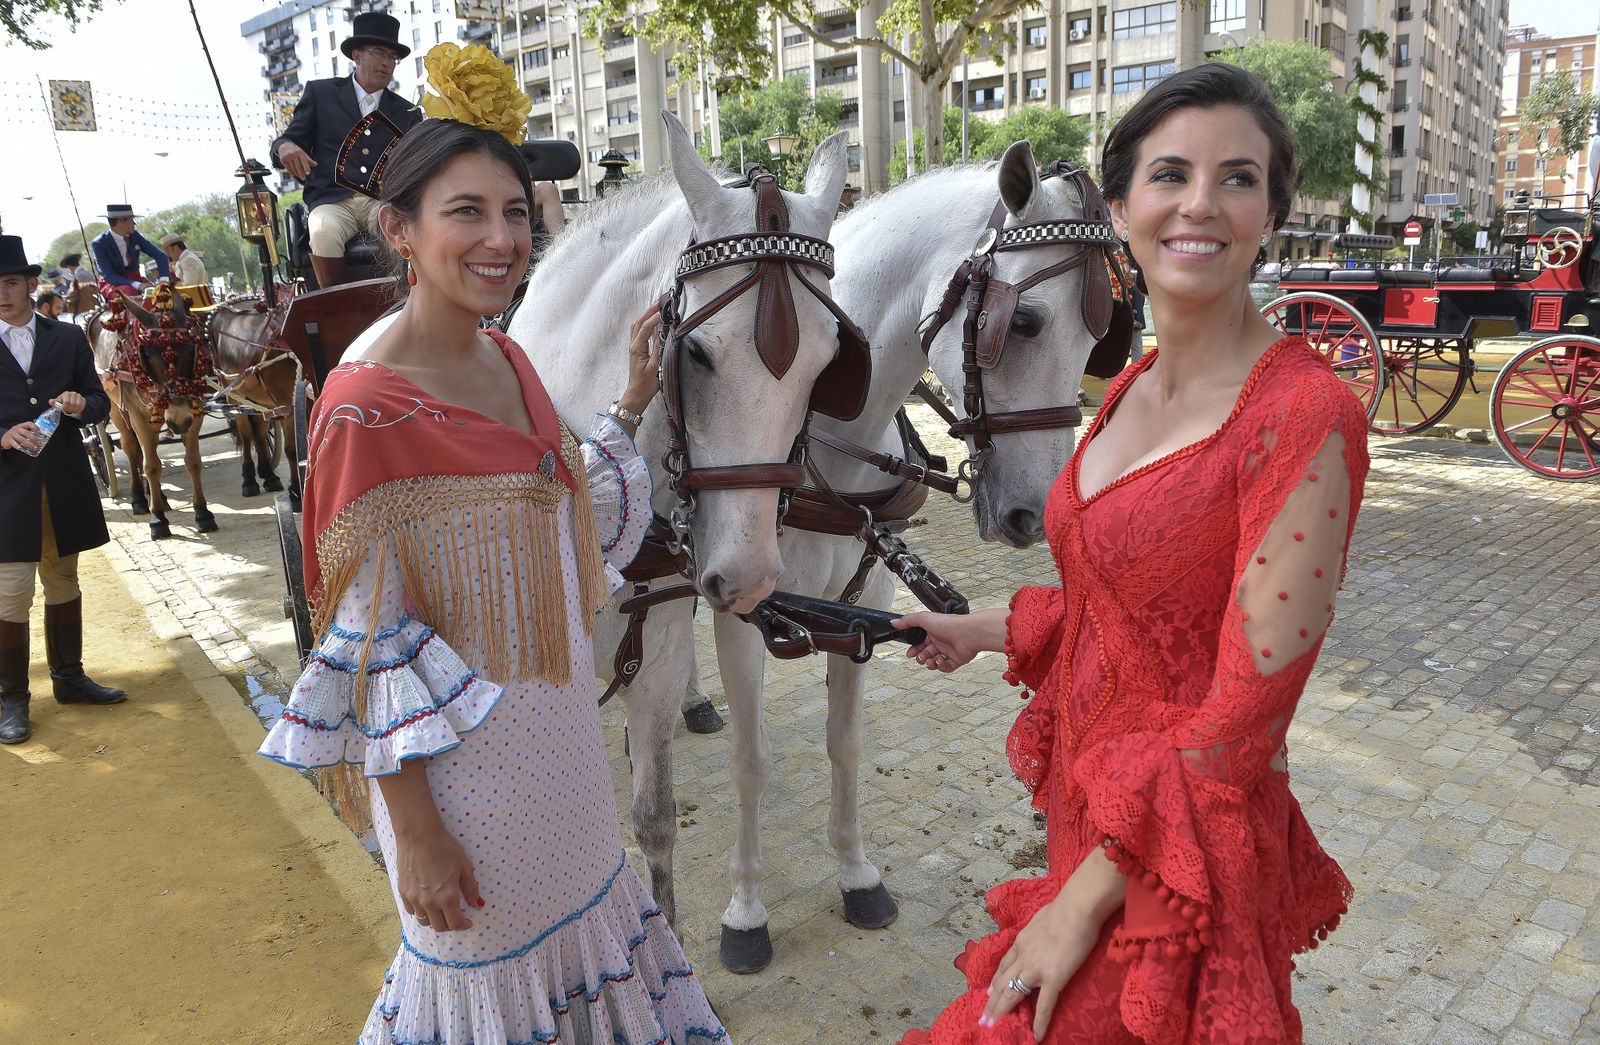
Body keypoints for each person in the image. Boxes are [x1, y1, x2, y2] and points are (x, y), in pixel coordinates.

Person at [255, 51, 727, 1045]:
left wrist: (631, 404)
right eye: (466, 212)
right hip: (461, 787)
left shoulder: (509, 356)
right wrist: (415, 830)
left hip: (559, 741)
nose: (502, 238)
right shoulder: (363, 404)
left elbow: (561, 517)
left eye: (515, 212)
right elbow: (365, 639)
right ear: (400, 230)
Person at [895, 63, 1369, 1044]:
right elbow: (1116, 606)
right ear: (1117, 208)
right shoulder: (1128, 390)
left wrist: (1076, 908)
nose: (1200, 203)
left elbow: (1239, 720)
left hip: (1176, 853)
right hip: (1090, 806)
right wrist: (974, 628)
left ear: (1272, 211)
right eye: (1169, 174)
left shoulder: (1302, 418)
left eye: (1237, 178)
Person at [0, 234, 126, 746]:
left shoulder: (70, 338)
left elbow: (101, 406)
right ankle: (11, 698)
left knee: (64, 580)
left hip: (64, 482)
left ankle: (69, 680)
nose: (2, 294)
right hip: (7, 491)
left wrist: (80, 405)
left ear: (31, 284)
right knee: (10, 594)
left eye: (10, 282)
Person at [271, 11, 423, 289]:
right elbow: (288, 140)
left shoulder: (408, 113)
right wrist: (284, 147)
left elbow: (418, 164)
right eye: (379, 52)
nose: (387, 63)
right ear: (357, 55)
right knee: (322, 229)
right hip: (332, 201)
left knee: (405, 230)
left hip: (382, 202)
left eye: (393, 57)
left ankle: (407, 303)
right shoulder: (320, 94)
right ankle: (335, 306)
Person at [89, 203, 170, 300]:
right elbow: (109, 275)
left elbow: (160, 255)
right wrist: (137, 285)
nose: (134, 223)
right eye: (131, 219)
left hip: (136, 279)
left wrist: (163, 280)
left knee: (162, 294)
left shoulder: (135, 236)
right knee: (129, 293)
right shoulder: (99, 243)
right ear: (120, 221)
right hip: (113, 283)